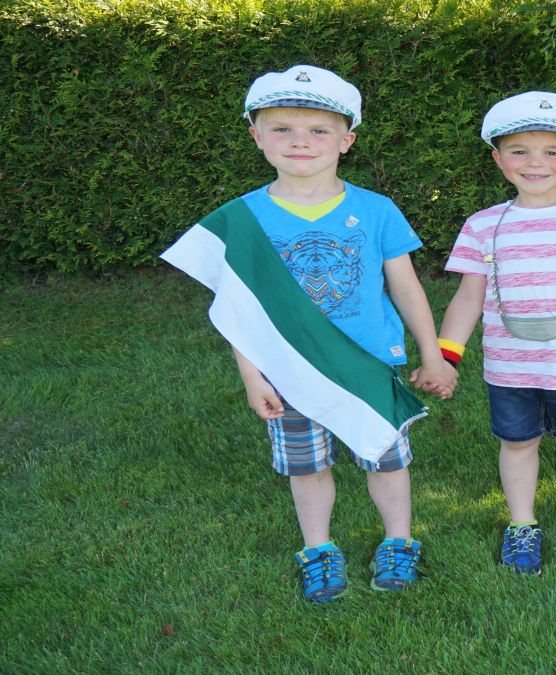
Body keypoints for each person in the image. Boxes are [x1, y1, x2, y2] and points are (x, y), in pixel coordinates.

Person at [163, 65, 457, 603]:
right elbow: (238, 309)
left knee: (386, 459)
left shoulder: (376, 210)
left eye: (319, 130)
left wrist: (433, 355)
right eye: (282, 129)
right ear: (256, 136)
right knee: (308, 465)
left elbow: (407, 288)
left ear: (347, 140)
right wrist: (252, 376)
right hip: (288, 369)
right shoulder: (242, 219)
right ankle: (318, 549)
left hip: (369, 362)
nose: (300, 141)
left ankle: (398, 541)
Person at [436, 91, 556, 575]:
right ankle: (522, 523)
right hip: (511, 367)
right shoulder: (483, 225)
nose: (535, 163)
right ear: (497, 158)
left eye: (552, 152)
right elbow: (468, 298)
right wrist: (446, 356)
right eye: (519, 151)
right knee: (518, 442)